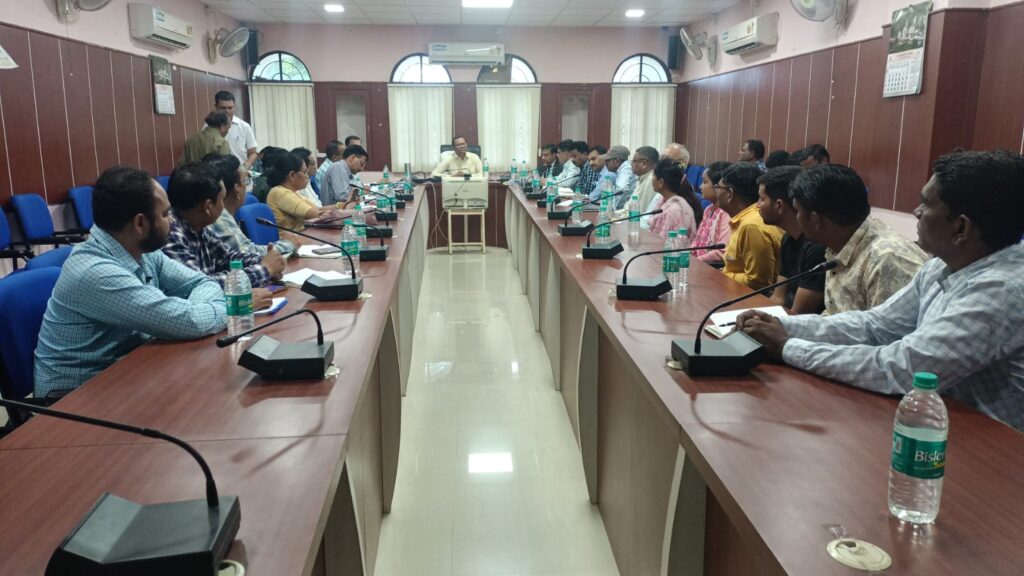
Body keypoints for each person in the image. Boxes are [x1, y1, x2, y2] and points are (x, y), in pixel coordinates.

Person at [737, 149, 1024, 432]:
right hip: (936, 421)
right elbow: (876, 325)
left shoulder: (1002, 290)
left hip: (990, 445)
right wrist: (784, 326)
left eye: (926, 205)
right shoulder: (943, 265)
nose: (916, 211)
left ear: (961, 227)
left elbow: (903, 367)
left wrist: (787, 347)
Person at [33, 166, 227, 397]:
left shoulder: (140, 250)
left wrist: (194, 312)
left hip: (125, 371)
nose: (173, 221)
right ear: (140, 223)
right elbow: (189, 322)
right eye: (165, 214)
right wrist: (228, 307)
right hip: (72, 397)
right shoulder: (96, 272)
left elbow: (202, 284)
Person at [789, 165, 928, 315]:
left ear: (815, 219)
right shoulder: (839, 244)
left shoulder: (888, 260)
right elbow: (833, 315)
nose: (796, 218)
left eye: (797, 211)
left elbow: (888, 329)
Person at [162, 162, 284, 302]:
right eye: (222, 199)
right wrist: (264, 269)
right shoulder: (171, 234)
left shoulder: (197, 226)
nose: (223, 206)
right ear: (208, 207)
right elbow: (202, 288)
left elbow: (228, 257)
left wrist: (265, 261)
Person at [756, 166, 826, 314]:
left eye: (761, 199)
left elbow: (798, 314)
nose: (757, 205)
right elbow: (778, 298)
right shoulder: (788, 238)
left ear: (779, 205)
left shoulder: (817, 248)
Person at [204, 154, 298, 256]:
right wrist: (288, 244)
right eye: (245, 181)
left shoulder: (222, 214)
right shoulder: (219, 217)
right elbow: (247, 252)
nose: (247, 187)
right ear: (237, 189)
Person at [717, 163, 784, 290]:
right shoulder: (744, 219)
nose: (716, 192)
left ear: (730, 194)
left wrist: (724, 274)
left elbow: (758, 282)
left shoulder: (751, 226)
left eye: (718, 188)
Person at [267, 152, 339, 230]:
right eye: (305, 172)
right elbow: (317, 214)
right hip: (289, 237)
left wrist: (341, 205)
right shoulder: (280, 193)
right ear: (292, 175)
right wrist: (341, 213)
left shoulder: (292, 192)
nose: (308, 176)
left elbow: (317, 209)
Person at [647, 159, 701, 239]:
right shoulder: (663, 201)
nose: (652, 178)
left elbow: (668, 243)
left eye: (653, 175)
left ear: (661, 182)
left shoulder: (675, 210)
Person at [693, 161, 732, 265]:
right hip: (699, 264)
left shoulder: (726, 214)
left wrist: (695, 262)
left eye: (705, 182)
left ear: (718, 186)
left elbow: (721, 251)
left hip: (711, 268)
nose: (700, 186)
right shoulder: (708, 209)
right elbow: (697, 241)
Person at [214, 91, 258, 169]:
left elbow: (253, 153)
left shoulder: (244, 126)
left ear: (234, 106)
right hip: (218, 172)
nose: (227, 111)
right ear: (216, 107)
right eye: (223, 108)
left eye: (230, 108)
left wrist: (245, 167)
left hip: (241, 171)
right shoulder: (209, 127)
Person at [626, 146, 659, 220]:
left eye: (634, 161)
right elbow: (629, 206)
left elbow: (642, 212)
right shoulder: (642, 178)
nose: (631, 164)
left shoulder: (651, 180)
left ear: (644, 163)